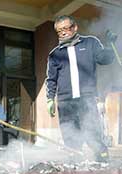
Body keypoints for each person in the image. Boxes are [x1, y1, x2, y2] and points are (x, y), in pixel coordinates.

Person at [45, 15, 116, 162]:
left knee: (94, 135)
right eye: (59, 31)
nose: (63, 33)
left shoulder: (90, 43)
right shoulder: (55, 55)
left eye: (65, 28)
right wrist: (50, 98)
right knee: (71, 140)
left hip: (86, 99)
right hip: (65, 103)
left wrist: (111, 45)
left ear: (75, 27)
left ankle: (103, 165)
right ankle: (74, 169)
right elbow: (51, 79)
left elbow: (104, 59)